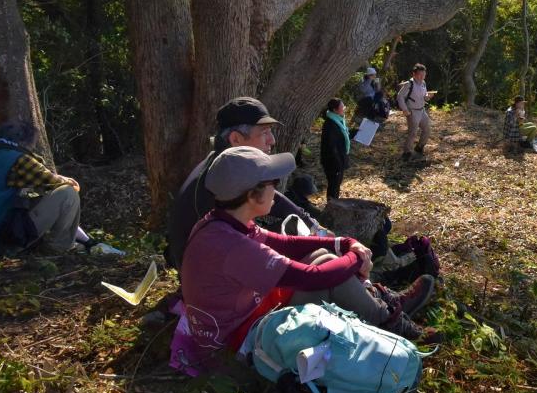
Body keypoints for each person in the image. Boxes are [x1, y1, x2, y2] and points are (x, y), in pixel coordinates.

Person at [176, 146, 438, 373]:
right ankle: (390, 322)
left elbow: (286, 243)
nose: (278, 190)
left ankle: (381, 306)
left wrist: (343, 243)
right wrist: (356, 258)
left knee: (322, 256)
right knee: (329, 273)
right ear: (253, 196)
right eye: (273, 184)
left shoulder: (224, 222)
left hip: (244, 320)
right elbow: (313, 279)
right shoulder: (232, 247)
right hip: (239, 349)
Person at [166, 97, 324, 272]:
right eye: (264, 132)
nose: (272, 140)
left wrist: (313, 225)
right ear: (236, 139)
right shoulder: (220, 180)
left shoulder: (228, 166)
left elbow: (274, 199)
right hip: (207, 273)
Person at [0, 121, 93, 284]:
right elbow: (56, 183)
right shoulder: (19, 159)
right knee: (67, 193)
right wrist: (66, 180)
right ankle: (57, 251)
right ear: (25, 141)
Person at [396, 63, 433, 160]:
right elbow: (400, 97)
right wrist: (405, 109)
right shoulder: (409, 84)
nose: (422, 77)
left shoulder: (423, 83)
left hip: (422, 110)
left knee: (427, 129)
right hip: (412, 111)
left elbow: (424, 97)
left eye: (424, 75)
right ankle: (407, 152)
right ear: (414, 74)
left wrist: (428, 97)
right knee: (412, 132)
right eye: (420, 75)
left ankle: (419, 147)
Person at [320, 98, 352, 200]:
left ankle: (335, 203)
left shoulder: (338, 120)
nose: (344, 109)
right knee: (333, 185)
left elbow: (343, 135)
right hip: (333, 161)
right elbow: (331, 146)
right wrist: (337, 163)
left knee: (337, 184)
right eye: (342, 107)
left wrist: (356, 132)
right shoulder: (330, 124)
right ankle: (331, 206)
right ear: (335, 110)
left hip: (340, 158)